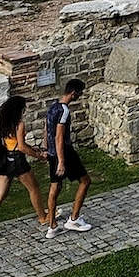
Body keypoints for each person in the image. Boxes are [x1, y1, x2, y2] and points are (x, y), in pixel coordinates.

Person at [45, 78, 92, 235]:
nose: (79, 96)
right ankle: (74, 219)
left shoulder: (52, 106)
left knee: (55, 187)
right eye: (79, 93)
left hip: (52, 152)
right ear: (73, 93)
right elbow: (59, 136)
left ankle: (51, 226)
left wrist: (47, 149)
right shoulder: (64, 110)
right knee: (85, 181)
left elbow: (47, 130)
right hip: (65, 152)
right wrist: (62, 161)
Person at [0, 93, 51, 230]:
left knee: (1, 194)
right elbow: (21, 147)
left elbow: (14, 143)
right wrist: (39, 156)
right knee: (33, 188)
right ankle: (42, 216)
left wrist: (31, 147)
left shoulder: (4, 123)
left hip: (6, 160)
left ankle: (43, 215)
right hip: (18, 161)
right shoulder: (19, 124)